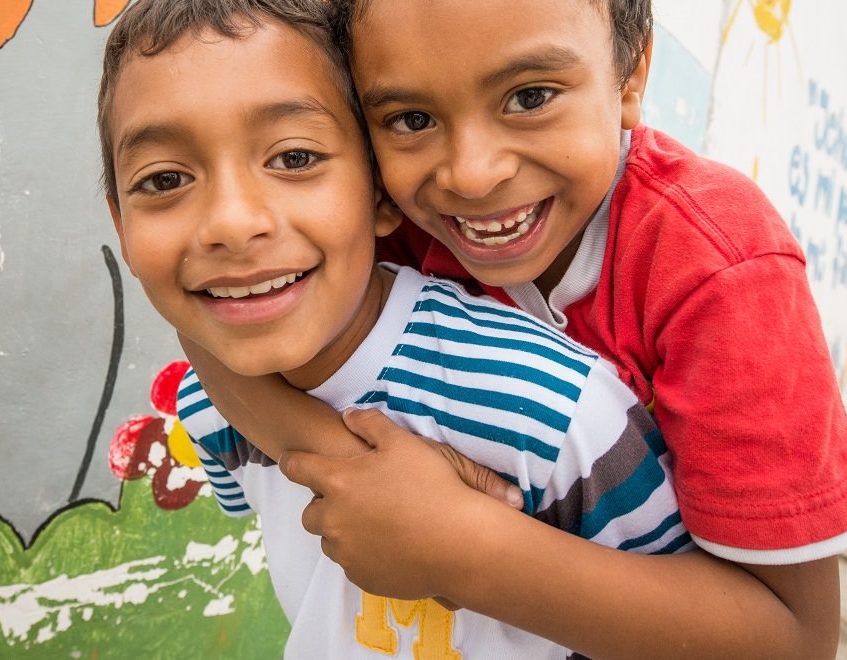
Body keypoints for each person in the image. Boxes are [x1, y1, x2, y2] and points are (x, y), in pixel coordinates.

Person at [183, 0, 847, 658]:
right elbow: (213, 318)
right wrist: (360, 479)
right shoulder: (391, 221)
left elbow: (792, 637)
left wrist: (461, 545)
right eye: (412, 117)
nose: (473, 175)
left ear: (631, 72)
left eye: (531, 97)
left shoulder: (718, 264)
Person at [97, 0, 695, 656]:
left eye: (294, 159)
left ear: (380, 191)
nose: (232, 224)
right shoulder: (208, 409)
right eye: (164, 179)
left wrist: (467, 550)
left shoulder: (553, 409)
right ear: (119, 222)